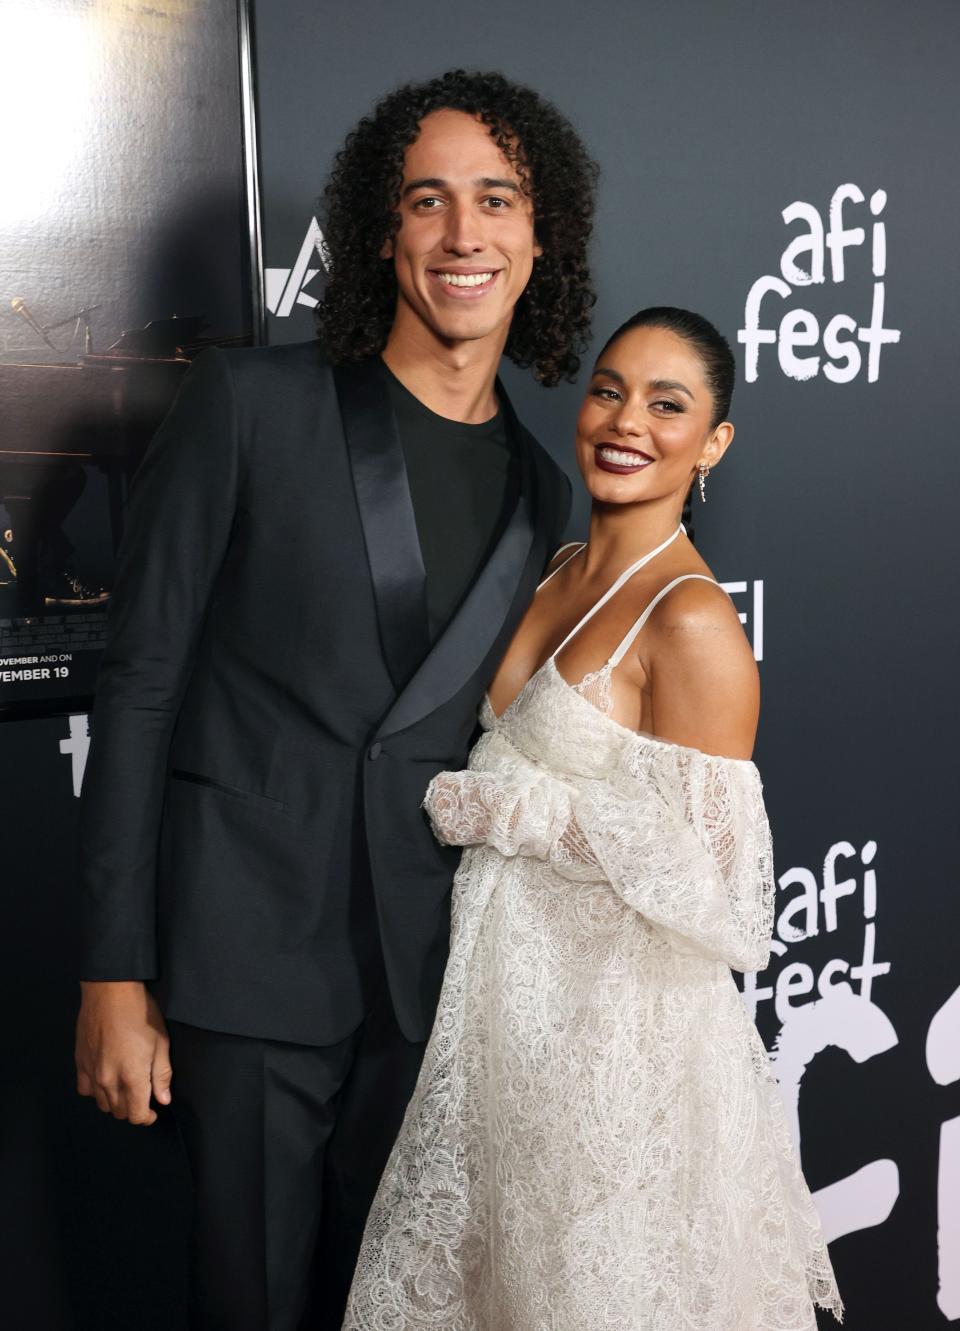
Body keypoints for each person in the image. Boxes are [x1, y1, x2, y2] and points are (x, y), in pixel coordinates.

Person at [74, 70, 597, 1331]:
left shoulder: (544, 494)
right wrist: (111, 976)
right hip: (244, 958)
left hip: (431, 978)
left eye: (497, 201)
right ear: (380, 230)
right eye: (428, 201)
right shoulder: (253, 404)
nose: (464, 236)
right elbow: (139, 689)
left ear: (541, 238)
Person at [342, 308, 844, 1330]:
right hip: (505, 1029)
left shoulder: (692, 618)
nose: (627, 421)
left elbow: (720, 890)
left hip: (619, 1057)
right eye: (610, 389)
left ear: (714, 443)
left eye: (669, 404)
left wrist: (516, 809)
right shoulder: (554, 566)